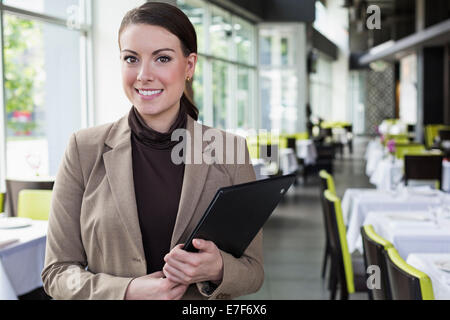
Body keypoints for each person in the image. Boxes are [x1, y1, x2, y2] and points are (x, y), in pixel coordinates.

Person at [41, 2, 263, 300]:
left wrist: (219, 268)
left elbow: (254, 271)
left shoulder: (229, 151)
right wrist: (127, 291)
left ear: (189, 66)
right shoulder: (84, 149)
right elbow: (57, 272)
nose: (144, 74)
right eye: (131, 58)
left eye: (162, 58)